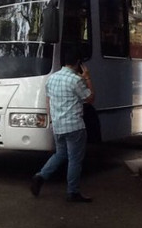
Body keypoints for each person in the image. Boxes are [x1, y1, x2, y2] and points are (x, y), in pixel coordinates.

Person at [30, 47, 95, 203]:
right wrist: (88, 78)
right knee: (74, 159)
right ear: (78, 63)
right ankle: (72, 192)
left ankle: (40, 176)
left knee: (60, 154)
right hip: (74, 126)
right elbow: (90, 98)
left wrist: (52, 120)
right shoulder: (76, 80)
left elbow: (48, 101)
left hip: (58, 125)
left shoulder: (51, 78)